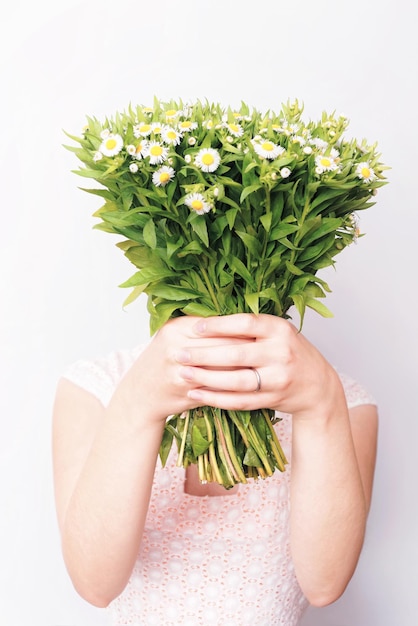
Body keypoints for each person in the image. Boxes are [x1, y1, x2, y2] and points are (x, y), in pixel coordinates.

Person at [52, 313, 378, 626]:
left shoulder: (336, 397)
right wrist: (138, 403)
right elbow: (95, 585)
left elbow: (325, 586)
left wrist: (321, 404)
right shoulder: (99, 385)